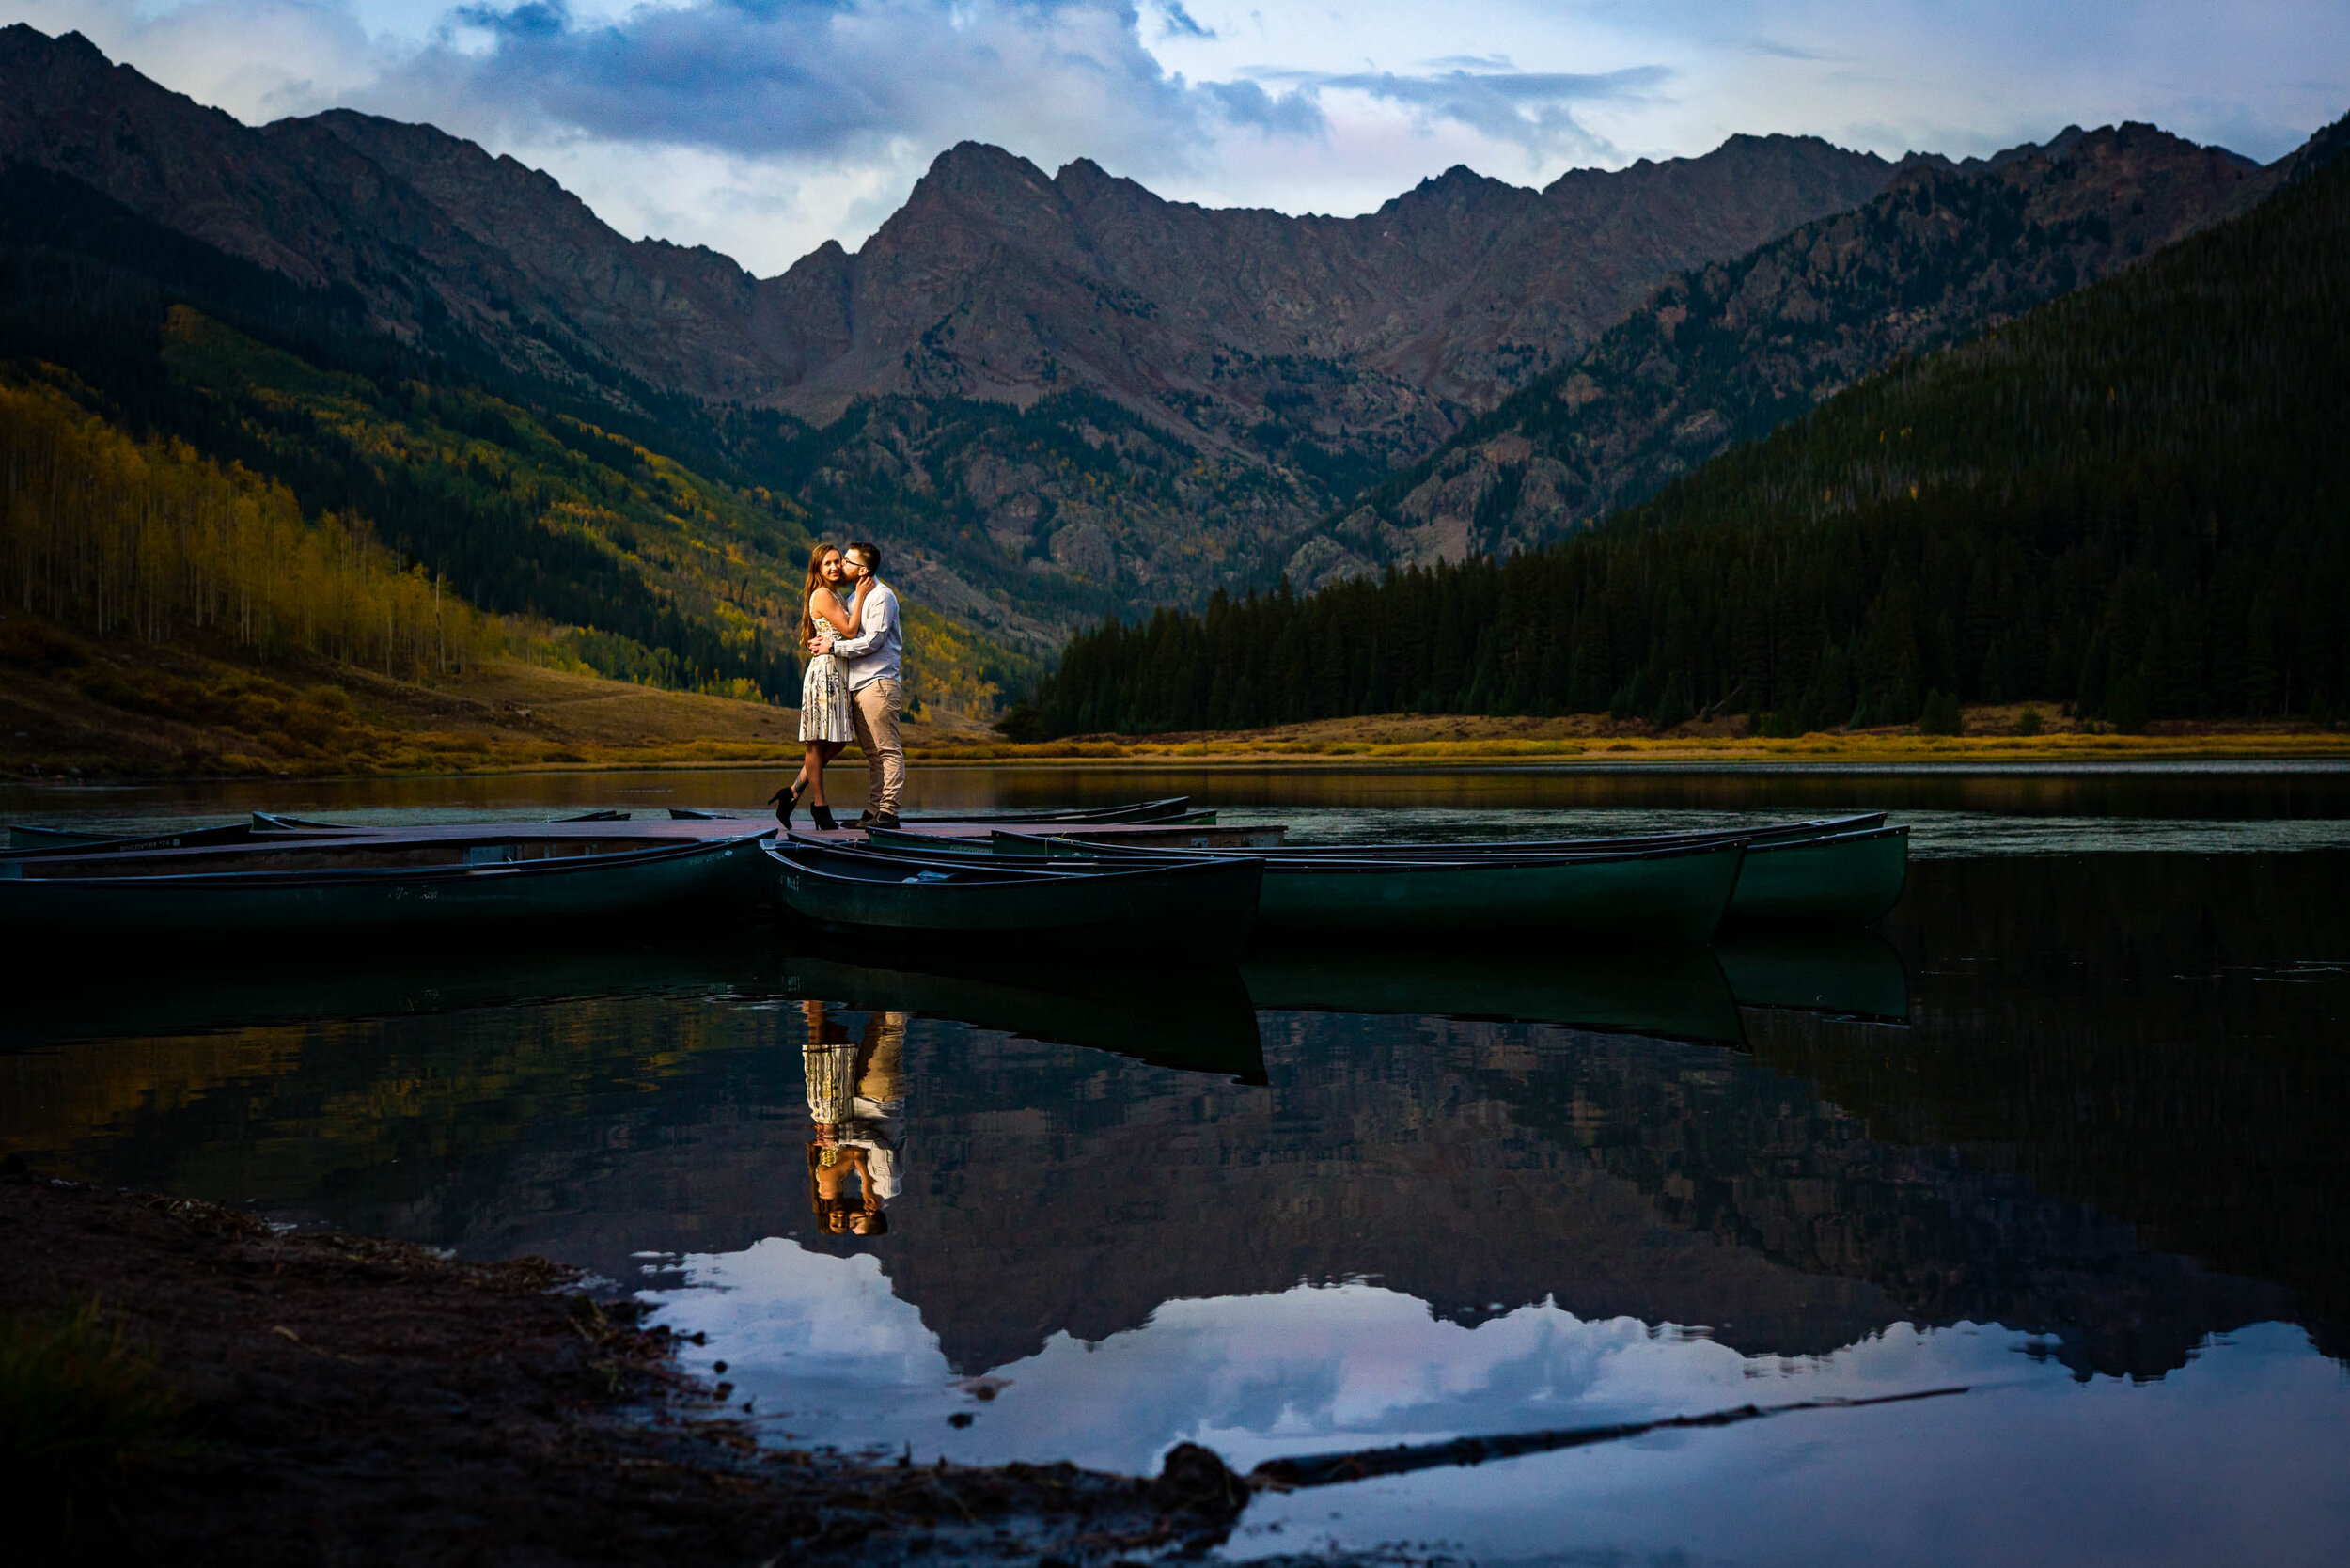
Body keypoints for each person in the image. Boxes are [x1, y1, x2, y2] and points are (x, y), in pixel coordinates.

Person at [807, 541, 905, 830]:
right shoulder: (852, 599)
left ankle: (888, 813)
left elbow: (872, 641)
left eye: (846, 562)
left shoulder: (882, 597)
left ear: (862, 569)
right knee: (873, 754)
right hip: (858, 685)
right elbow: (842, 631)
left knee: (887, 750)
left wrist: (833, 648)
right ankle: (874, 811)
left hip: (878, 683)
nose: (841, 566)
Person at [772, 544, 869, 832]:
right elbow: (850, 631)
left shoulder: (836, 593)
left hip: (838, 674)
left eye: (838, 561)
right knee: (817, 743)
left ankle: (791, 793)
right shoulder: (823, 594)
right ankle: (820, 806)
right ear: (817, 569)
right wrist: (862, 596)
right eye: (827, 563)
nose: (835, 566)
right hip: (824, 674)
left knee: (837, 741)